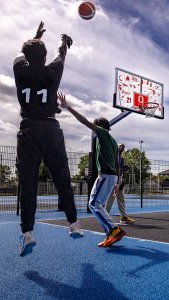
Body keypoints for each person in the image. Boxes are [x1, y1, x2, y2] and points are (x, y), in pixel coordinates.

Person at [13, 22, 83, 257]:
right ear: (44, 57)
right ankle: (73, 224)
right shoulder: (53, 71)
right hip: (51, 129)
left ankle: (28, 233)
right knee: (62, 178)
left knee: (29, 183)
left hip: (29, 130)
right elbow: (60, 54)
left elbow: (23, 53)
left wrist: (35, 36)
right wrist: (64, 41)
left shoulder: (19, 68)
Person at [57, 92, 126, 247]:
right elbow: (117, 163)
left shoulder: (102, 133)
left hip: (106, 175)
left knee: (94, 204)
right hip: (112, 176)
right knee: (96, 205)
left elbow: (85, 121)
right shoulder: (113, 142)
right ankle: (111, 233)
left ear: (99, 127)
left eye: (95, 127)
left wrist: (67, 107)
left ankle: (115, 229)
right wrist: (117, 182)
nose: (93, 130)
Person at [106, 144, 134, 224]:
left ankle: (123, 217)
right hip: (114, 179)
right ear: (116, 147)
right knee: (111, 198)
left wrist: (123, 179)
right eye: (120, 146)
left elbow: (121, 170)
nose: (122, 147)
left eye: (123, 146)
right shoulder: (113, 157)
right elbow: (115, 169)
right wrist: (116, 181)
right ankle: (105, 217)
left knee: (121, 199)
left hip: (119, 179)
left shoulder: (121, 159)